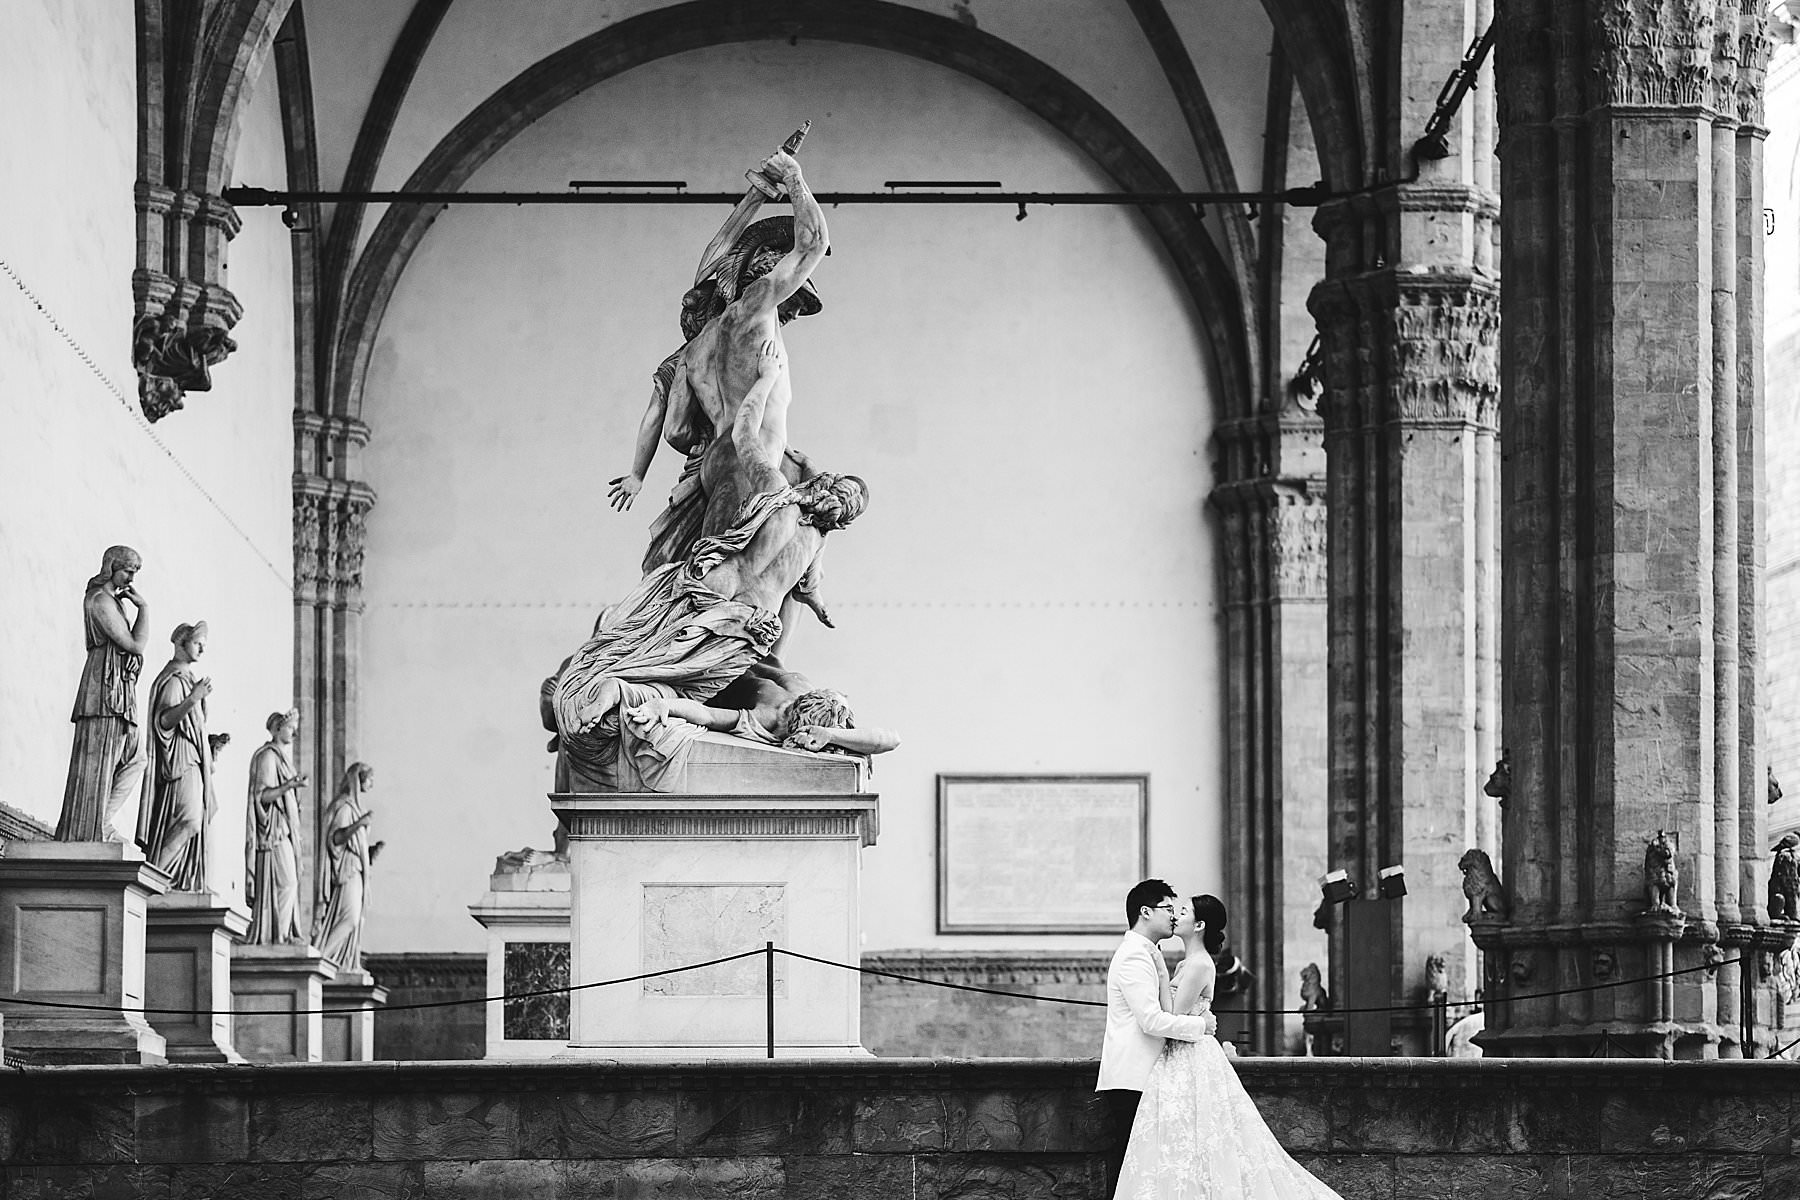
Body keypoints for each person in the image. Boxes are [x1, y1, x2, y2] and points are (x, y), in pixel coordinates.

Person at [546, 339, 870, 791]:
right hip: (747, 633)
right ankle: (626, 690)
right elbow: (809, 593)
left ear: (820, 485)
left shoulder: (778, 493)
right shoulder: (816, 542)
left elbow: (743, 435)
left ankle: (614, 685)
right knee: (688, 683)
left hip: (709, 594)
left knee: (636, 650)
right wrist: (819, 608)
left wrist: (767, 380)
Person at [609, 144, 828, 574]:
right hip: (752, 458)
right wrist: (793, 177)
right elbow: (814, 244)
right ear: (765, 278)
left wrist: (639, 474)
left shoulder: (693, 351)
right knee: (747, 575)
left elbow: (673, 429)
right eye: (795, 301)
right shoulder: (756, 310)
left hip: (713, 463)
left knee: (708, 569)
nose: (793, 313)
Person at [1115, 894, 1345, 1199]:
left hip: (1189, 1054)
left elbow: (1173, 1015)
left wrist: (1159, 970)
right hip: (1181, 1052)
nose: (1176, 916)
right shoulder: (1186, 963)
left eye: (1183, 911)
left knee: (1199, 1138)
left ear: (1198, 925)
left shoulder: (1198, 964)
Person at [1097, 880, 1217, 1197]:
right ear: (1146, 912)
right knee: (1133, 1170)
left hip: (1148, 1077)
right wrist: (1200, 1025)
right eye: (1168, 908)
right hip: (1132, 1077)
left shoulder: (1149, 953)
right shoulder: (1134, 956)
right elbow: (1151, 1020)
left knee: (1148, 1171)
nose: (1173, 916)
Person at [57, 545, 152, 841]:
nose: (131, 579)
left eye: (134, 573)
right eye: (127, 571)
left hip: (119, 688)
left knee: (135, 757)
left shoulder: (114, 602)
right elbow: (134, 644)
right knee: (103, 757)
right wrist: (144, 609)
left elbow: (131, 648)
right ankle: (92, 828)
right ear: (111, 567)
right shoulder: (99, 600)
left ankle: (102, 821)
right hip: (103, 688)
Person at [136, 621, 216, 888]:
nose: (202, 649)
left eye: (203, 645)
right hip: (180, 760)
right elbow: (165, 720)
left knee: (194, 822)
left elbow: (196, 726)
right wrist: (193, 699)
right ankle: (152, 880)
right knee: (189, 821)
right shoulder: (173, 680)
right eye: (197, 643)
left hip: (193, 759)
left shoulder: (189, 680)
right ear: (181, 644)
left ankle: (172, 881)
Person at [244, 709, 308, 944]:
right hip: (274, 833)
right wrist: (288, 786)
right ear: (278, 728)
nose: (295, 733)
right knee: (286, 882)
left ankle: (282, 934)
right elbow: (262, 796)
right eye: (291, 728)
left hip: (285, 831)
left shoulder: (282, 759)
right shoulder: (268, 757)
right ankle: (276, 936)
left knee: (290, 883)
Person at [313, 762, 382, 969]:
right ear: (359, 779)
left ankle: (341, 962)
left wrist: (369, 853)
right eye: (369, 779)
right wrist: (360, 823)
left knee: (357, 920)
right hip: (347, 871)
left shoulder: (356, 808)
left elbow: (355, 845)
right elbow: (336, 838)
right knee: (349, 918)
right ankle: (321, 959)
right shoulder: (344, 807)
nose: (372, 783)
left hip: (357, 870)